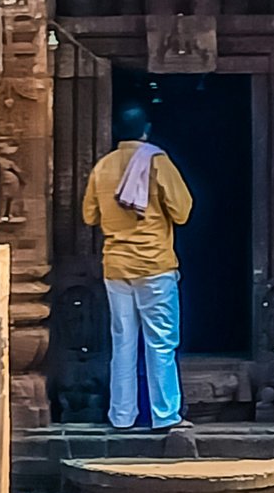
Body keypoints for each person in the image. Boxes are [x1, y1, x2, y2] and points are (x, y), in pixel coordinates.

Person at [82, 100, 193, 430]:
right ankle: (165, 415)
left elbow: (89, 215)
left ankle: (121, 415)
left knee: (123, 342)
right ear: (146, 130)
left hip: (116, 267)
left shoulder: (103, 167)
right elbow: (182, 211)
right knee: (161, 342)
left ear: (117, 131)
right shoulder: (157, 161)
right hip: (155, 265)